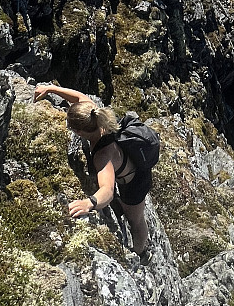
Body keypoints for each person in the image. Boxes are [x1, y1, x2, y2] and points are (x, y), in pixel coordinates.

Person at [33, 83, 151, 255]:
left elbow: (108, 190)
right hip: (128, 161)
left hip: (135, 182)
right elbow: (79, 97)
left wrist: (89, 203)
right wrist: (50, 89)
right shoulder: (93, 114)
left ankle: (141, 252)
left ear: (80, 132)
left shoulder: (103, 156)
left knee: (135, 219)